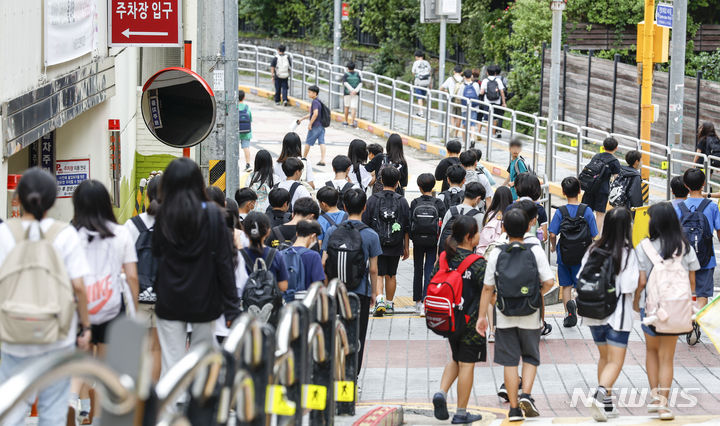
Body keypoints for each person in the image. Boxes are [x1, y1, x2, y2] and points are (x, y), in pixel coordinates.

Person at [0, 168, 92, 426]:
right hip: (57, 335)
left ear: (18, 197)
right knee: (54, 411)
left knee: (12, 410)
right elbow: (80, 288)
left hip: (13, 334)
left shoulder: (5, 233)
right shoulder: (65, 234)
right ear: (53, 199)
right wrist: (85, 327)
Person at [152, 158, 241, 381]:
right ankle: (198, 407)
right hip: (204, 297)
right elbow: (224, 262)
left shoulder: (164, 214)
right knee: (202, 355)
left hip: (169, 296)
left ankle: (172, 409)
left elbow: (155, 253)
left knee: (171, 360)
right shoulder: (213, 214)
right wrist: (231, 306)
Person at [476, 208, 555, 422]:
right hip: (531, 313)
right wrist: (534, 295)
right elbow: (549, 282)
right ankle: (526, 395)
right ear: (529, 226)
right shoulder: (535, 249)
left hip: (504, 313)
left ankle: (513, 409)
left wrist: (483, 315)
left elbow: (487, 288)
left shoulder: (497, 251)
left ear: (503, 228)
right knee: (530, 356)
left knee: (510, 361)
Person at [71, 180, 139, 423]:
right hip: (111, 305)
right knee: (104, 365)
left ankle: (75, 403)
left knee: (80, 361)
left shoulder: (70, 234)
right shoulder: (121, 233)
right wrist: (136, 310)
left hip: (81, 308)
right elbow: (131, 276)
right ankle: (97, 414)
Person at [634, 202, 699, 421]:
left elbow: (640, 281)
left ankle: (654, 399)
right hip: (675, 309)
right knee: (667, 357)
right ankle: (663, 406)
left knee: (651, 352)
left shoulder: (644, 247)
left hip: (650, 309)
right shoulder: (684, 247)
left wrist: (636, 302)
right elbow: (692, 281)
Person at [578, 208, 639, 422]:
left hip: (594, 313)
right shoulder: (627, 252)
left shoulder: (594, 248)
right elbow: (629, 284)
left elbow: (581, 277)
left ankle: (608, 405)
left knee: (604, 358)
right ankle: (600, 393)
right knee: (616, 361)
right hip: (618, 314)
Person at [430, 216, 487, 424]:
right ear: (469, 237)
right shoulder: (478, 263)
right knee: (467, 364)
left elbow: (434, 279)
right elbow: (489, 291)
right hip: (471, 322)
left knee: (456, 358)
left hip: (449, 320)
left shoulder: (445, 257)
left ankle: (441, 393)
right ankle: (461, 412)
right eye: (477, 232)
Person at [322, 189, 381, 375]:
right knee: (357, 333)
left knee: (334, 331)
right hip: (360, 292)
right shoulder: (371, 235)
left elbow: (324, 262)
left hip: (336, 290)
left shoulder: (333, 231)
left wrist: (326, 288)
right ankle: (352, 375)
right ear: (365, 207)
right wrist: (374, 293)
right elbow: (373, 269)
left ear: (344, 207)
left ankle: (334, 371)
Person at [124, 175, 162, 383]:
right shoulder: (175, 224)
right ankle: (153, 396)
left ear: (146, 195)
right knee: (157, 348)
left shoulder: (132, 225)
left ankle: (138, 392)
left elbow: (125, 264)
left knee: (140, 347)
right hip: (165, 296)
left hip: (138, 295)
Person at [549, 176, 599, 327]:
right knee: (580, 285)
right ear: (579, 191)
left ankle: (568, 313)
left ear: (563, 192)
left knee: (566, 286)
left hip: (564, 254)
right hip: (582, 254)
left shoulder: (560, 212)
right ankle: (578, 305)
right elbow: (594, 235)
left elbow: (552, 234)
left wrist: (552, 246)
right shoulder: (587, 210)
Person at [363, 166, 410, 317]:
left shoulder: (373, 199)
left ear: (381, 180)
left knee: (378, 274)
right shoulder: (402, 201)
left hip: (377, 243)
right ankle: (389, 304)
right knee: (391, 274)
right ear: (397, 183)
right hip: (396, 243)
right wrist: (406, 247)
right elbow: (407, 226)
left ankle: (379, 300)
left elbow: (366, 223)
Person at [674, 168, 720, 313]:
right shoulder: (712, 206)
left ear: (685, 185)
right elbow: (719, 231)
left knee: (685, 290)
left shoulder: (678, 207)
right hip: (706, 257)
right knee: (703, 294)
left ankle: (688, 319)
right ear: (704, 184)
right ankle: (697, 323)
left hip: (683, 257)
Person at [410, 173, 447, 314]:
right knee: (430, 269)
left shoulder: (415, 202)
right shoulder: (438, 203)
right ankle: (427, 300)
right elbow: (443, 224)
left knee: (417, 270)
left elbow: (410, 223)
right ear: (433, 187)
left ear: (419, 187)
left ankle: (417, 302)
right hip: (433, 241)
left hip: (418, 241)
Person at [580, 137, 622, 232]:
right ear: (616, 148)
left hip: (590, 187)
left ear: (603, 147)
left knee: (587, 210)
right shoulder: (614, 161)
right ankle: (597, 236)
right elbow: (616, 177)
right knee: (600, 214)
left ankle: (584, 232)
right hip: (603, 190)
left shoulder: (596, 156)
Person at [241, 211, 289, 292]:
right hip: (270, 303)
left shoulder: (239, 255)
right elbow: (283, 286)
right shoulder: (276, 254)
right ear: (268, 232)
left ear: (245, 232)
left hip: (246, 303)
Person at [281, 220, 325, 300]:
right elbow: (318, 285)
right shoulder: (314, 256)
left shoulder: (281, 254)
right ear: (313, 236)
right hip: (306, 303)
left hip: (285, 304)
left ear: (297, 233)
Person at [297, 85, 327, 166]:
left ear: (314, 93)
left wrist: (310, 124)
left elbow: (315, 114)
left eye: (309, 92)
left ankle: (303, 158)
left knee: (308, 142)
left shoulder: (315, 102)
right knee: (322, 142)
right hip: (321, 126)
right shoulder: (318, 101)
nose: (308, 93)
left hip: (315, 126)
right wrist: (302, 118)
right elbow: (312, 114)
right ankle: (323, 160)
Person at [515, 173, 548, 243]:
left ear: (517, 188)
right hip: (533, 249)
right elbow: (544, 237)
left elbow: (503, 233)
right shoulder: (540, 209)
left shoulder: (511, 207)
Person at [479, 64, 507, 138]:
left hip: (487, 102)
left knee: (486, 119)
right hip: (497, 102)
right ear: (495, 73)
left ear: (487, 73)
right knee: (495, 118)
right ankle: (493, 134)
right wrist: (504, 103)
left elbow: (481, 92)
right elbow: (502, 92)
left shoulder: (485, 80)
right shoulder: (498, 80)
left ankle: (488, 134)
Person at [440, 65, 465, 136]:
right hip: (461, 100)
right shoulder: (464, 80)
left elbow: (441, 88)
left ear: (454, 71)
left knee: (452, 115)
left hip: (452, 99)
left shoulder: (450, 79)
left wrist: (446, 91)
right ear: (461, 72)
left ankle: (453, 126)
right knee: (459, 117)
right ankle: (456, 134)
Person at [459, 70, 481, 142]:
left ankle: (464, 141)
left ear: (464, 77)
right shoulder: (476, 85)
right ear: (471, 76)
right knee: (472, 124)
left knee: (464, 124)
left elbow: (459, 96)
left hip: (465, 107)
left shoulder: (462, 85)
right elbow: (477, 94)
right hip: (474, 106)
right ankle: (472, 138)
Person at [411, 50, 432, 117]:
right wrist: (430, 82)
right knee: (423, 97)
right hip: (426, 82)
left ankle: (421, 112)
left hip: (419, 82)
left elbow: (413, 72)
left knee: (419, 97)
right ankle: (424, 110)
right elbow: (429, 72)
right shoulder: (427, 63)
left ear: (416, 57)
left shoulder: (416, 63)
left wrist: (416, 75)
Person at [342, 61, 362, 127]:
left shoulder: (346, 74)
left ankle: (345, 121)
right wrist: (355, 91)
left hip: (347, 93)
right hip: (356, 93)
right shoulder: (357, 74)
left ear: (348, 68)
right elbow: (360, 83)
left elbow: (345, 83)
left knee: (346, 106)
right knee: (353, 108)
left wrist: (351, 90)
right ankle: (352, 122)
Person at [238, 89, 253, 171]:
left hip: (236, 131)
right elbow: (250, 119)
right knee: (246, 147)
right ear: (243, 98)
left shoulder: (234, 107)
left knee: (234, 147)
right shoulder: (247, 107)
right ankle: (248, 164)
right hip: (246, 131)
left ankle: (234, 163)